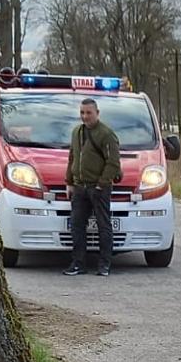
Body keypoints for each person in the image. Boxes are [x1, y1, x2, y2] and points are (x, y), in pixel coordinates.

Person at [65, 97, 123, 276]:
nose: (85, 116)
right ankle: (78, 263)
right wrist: (69, 182)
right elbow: (72, 157)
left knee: (103, 225)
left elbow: (113, 162)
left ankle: (104, 264)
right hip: (79, 187)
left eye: (89, 113)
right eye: (82, 112)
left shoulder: (106, 134)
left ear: (97, 113)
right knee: (76, 225)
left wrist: (101, 185)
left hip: (98, 188)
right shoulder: (76, 132)